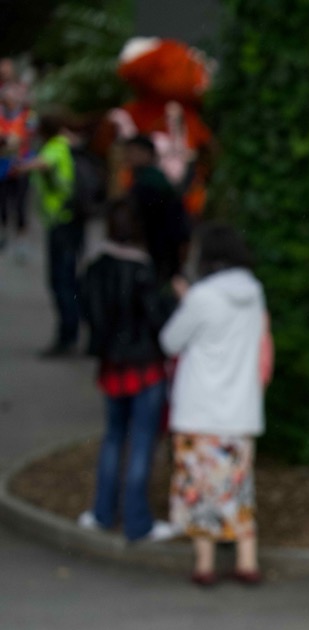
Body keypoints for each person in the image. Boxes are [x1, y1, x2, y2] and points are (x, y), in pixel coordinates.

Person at [160, 222, 266, 586]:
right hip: (241, 410)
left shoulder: (201, 297)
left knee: (199, 487)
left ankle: (204, 565)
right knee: (238, 487)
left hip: (200, 409)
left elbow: (170, 340)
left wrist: (184, 298)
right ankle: (247, 560)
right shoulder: (254, 293)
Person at [76, 199, 177, 542]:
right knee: (142, 442)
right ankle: (137, 521)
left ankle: (102, 512)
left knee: (114, 437)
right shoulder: (143, 271)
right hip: (145, 367)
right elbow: (157, 319)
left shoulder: (95, 268)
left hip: (111, 366)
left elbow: (87, 312)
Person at [16, 112, 82, 356]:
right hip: (70, 219)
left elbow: (44, 163)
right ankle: (71, 332)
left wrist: (18, 167)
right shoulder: (67, 144)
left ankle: (67, 337)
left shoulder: (55, 147)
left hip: (61, 220)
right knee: (67, 279)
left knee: (61, 281)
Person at [122, 135, 190, 284]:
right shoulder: (145, 179)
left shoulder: (150, 183)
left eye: (132, 152)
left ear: (147, 154)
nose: (128, 156)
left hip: (158, 246)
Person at [0, 81, 35, 254]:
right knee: (2, 202)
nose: (14, 97)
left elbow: (30, 135)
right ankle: (3, 232)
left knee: (21, 203)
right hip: (2, 164)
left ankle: (21, 238)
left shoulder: (28, 116)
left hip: (21, 164)